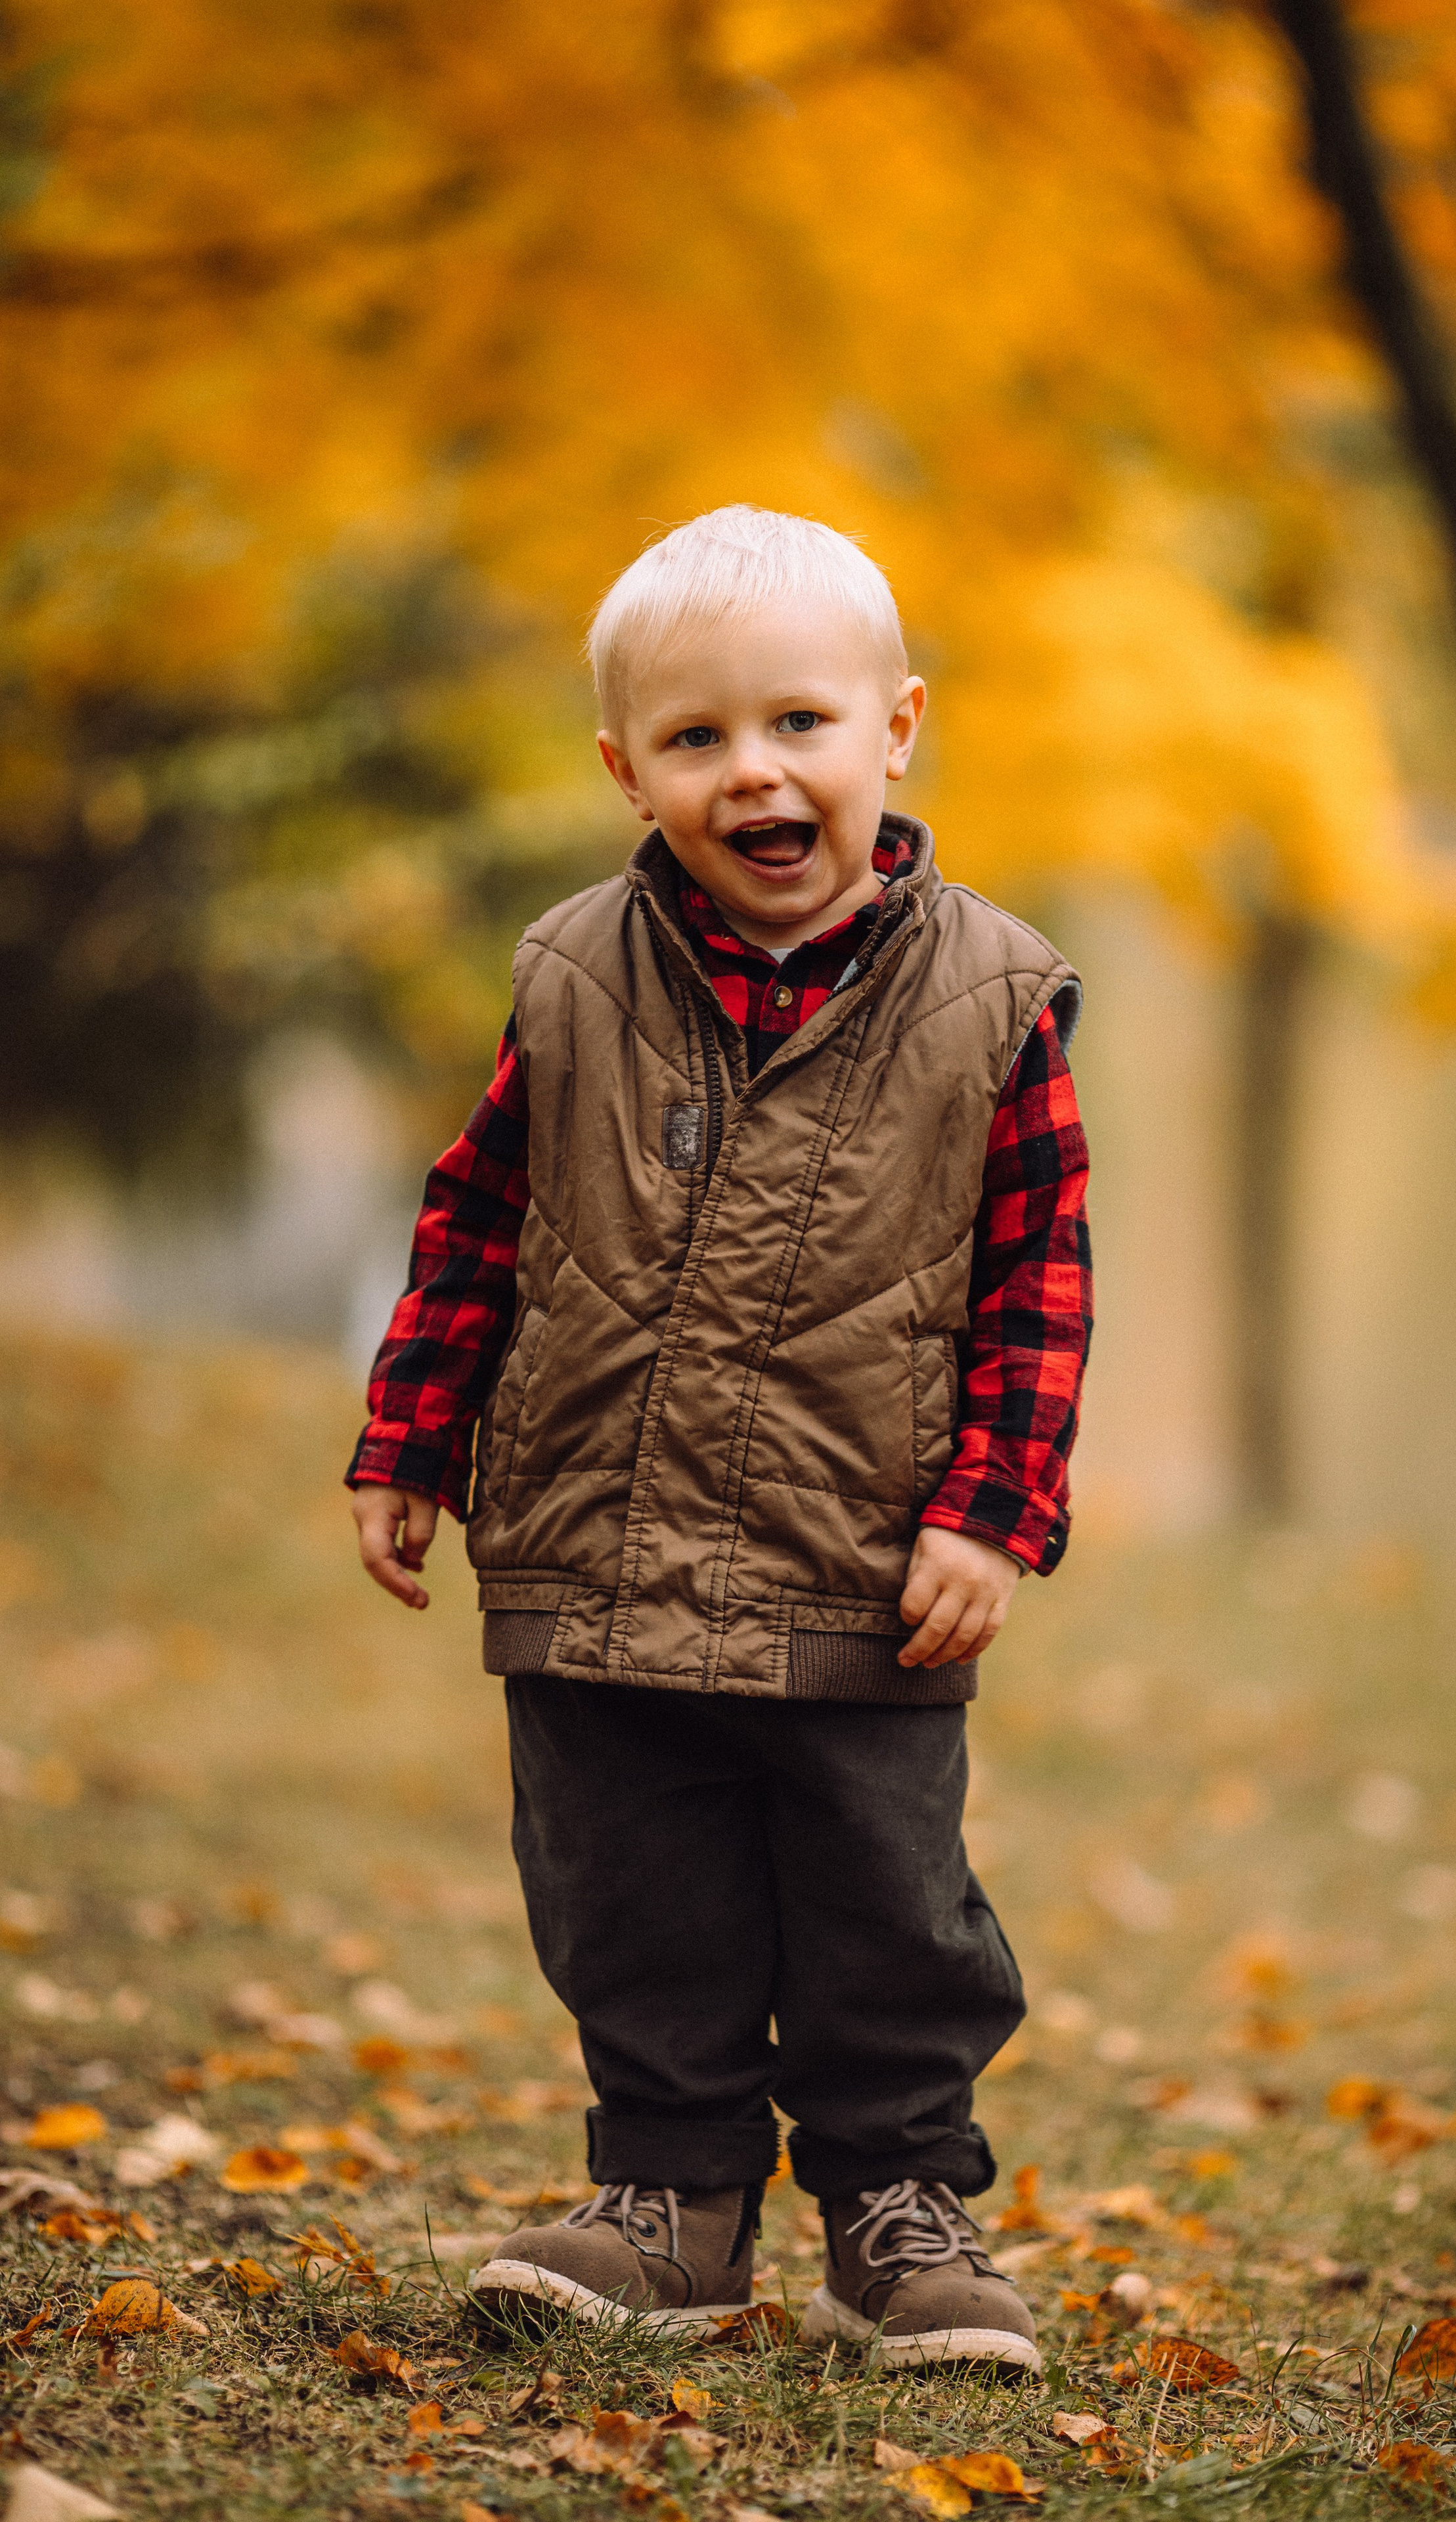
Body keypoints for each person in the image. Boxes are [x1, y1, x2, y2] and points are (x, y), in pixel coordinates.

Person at [347, 506, 1092, 2374]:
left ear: (894, 731)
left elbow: (1039, 1291)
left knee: (882, 1905)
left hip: (865, 1568)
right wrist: (409, 1439)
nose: (754, 771)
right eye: (696, 740)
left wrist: (993, 1513)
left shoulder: (994, 1004)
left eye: (800, 726)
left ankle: (896, 2216)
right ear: (627, 768)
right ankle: (665, 2205)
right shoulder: (577, 976)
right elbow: (476, 1220)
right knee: (628, 1889)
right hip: (594, 1543)